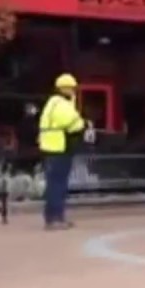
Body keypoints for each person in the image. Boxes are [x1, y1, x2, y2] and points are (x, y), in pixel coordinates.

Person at [38, 73, 91, 231]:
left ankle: (53, 217)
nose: (74, 92)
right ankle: (55, 219)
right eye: (73, 89)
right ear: (66, 89)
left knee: (53, 184)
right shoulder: (61, 104)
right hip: (59, 149)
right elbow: (73, 124)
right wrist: (85, 124)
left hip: (51, 148)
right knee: (58, 185)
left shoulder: (52, 102)